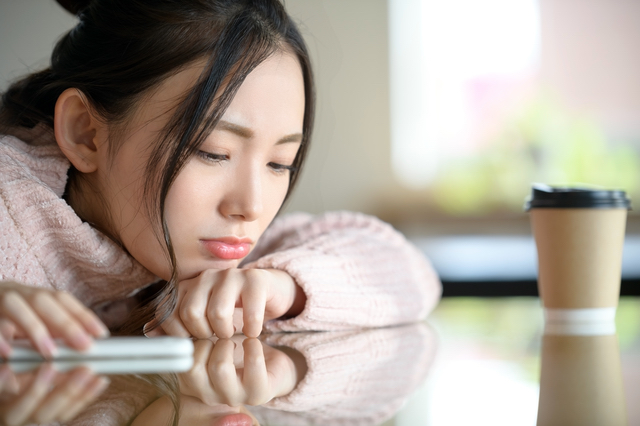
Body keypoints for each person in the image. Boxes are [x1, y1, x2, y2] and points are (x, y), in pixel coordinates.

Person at [0, 0, 441, 361]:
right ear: (86, 133)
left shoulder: (202, 246)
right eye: (213, 152)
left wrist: (282, 288)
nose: (250, 206)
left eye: (279, 163)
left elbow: (411, 276)